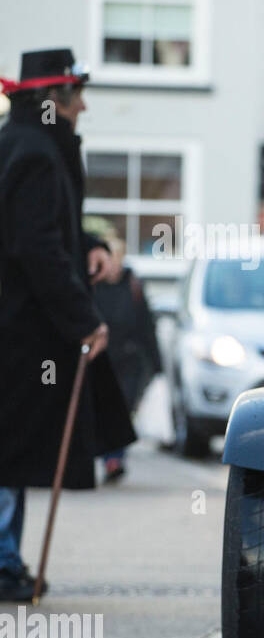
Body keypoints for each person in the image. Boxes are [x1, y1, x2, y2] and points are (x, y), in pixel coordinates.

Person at [0, 49, 135, 601]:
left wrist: (94, 244)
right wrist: (85, 321)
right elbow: (37, 248)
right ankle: (4, 561)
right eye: (76, 94)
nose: (83, 105)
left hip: (21, 330)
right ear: (50, 101)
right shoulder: (33, 152)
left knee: (14, 447)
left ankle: (6, 558)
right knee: (10, 447)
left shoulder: (30, 145)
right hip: (18, 331)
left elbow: (52, 232)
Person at [88, 221, 162, 481]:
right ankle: (110, 458)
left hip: (130, 361)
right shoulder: (93, 287)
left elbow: (146, 325)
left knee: (123, 408)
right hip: (101, 359)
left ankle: (114, 458)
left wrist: (156, 363)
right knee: (104, 409)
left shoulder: (133, 286)